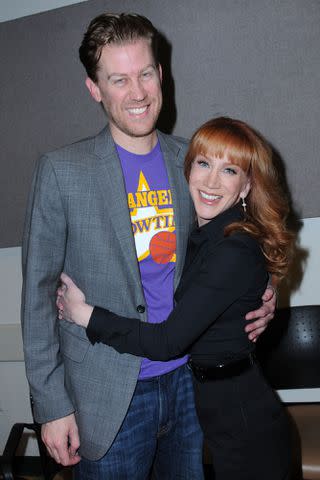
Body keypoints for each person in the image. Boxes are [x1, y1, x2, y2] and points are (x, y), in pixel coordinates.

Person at [21, 12, 276, 480]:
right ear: (95, 89)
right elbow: (37, 296)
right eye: (119, 79)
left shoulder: (194, 162)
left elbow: (241, 235)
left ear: (161, 74)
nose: (137, 92)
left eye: (145, 73)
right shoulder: (62, 171)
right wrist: (51, 404)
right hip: (108, 394)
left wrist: (266, 290)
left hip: (190, 385)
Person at [57, 117, 294, 480]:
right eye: (203, 163)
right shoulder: (205, 235)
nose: (212, 182)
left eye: (229, 170)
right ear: (188, 168)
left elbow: (168, 341)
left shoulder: (232, 249)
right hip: (219, 410)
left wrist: (85, 314)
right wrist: (267, 288)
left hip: (246, 426)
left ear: (246, 186)